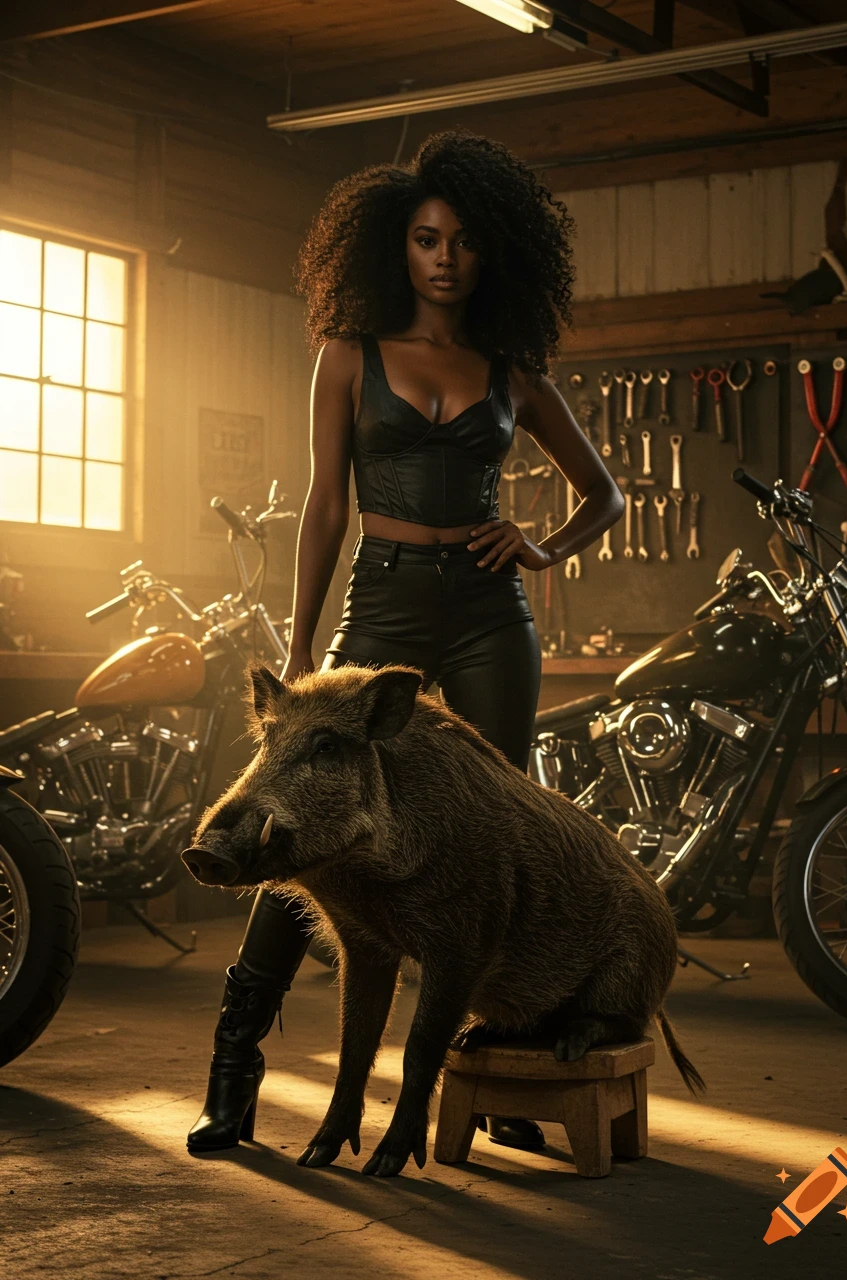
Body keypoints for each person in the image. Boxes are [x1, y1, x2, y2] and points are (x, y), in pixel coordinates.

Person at [187, 128, 623, 1158]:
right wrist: (302, 645)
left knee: (497, 839)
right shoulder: (348, 353)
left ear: (489, 251)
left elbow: (603, 493)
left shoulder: (511, 369)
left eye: (463, 241)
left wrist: (540, 546)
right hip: (379, 601)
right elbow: (323, 507)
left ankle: (501, 1065)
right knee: (290, 829)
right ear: (397, 245)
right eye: (427, 239)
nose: (444, 258)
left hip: (487, 615)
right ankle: (234, 1067)